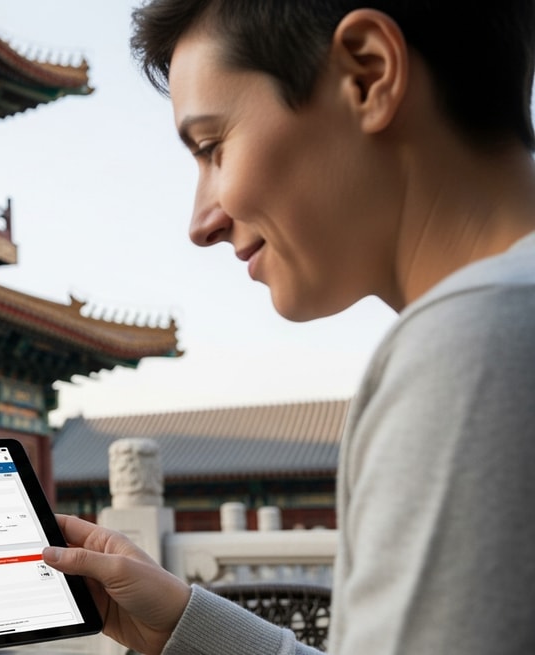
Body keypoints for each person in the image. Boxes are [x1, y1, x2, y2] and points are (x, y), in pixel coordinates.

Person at [40, 1, 535, 653]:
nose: (201, 222)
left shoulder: (473, 345)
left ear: (367, 73)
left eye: (213, 147)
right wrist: (185, 624)